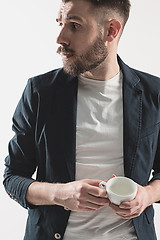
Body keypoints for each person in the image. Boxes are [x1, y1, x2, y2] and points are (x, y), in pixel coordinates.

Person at [3, 0, 160, 239]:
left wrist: (146, 196)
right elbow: (13, 178)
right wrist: (61, 194)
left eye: (74, 26)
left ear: (111, 30)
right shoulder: (40, 91)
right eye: (60, 23)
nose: (60, 38)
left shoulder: (154, 93)